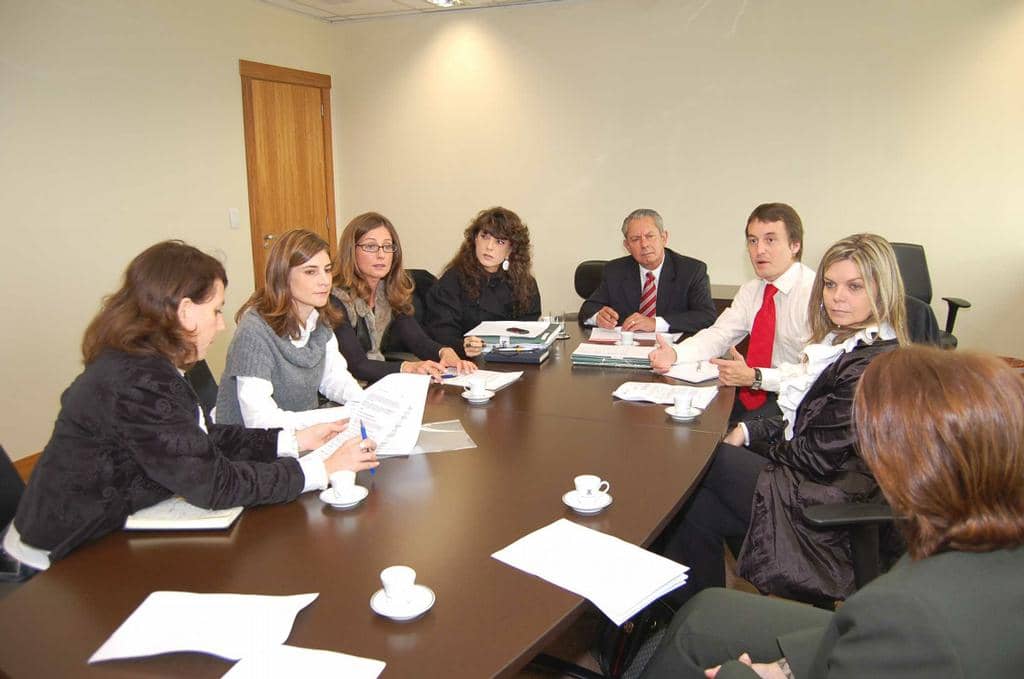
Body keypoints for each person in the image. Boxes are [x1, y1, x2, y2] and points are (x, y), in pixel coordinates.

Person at [641, 347, 1024, 679]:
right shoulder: (984, 542)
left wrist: (740, 673)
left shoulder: (908, 608)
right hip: (879, 637)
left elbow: (895, 637)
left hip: (886, 632)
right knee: (705, 611)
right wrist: (791, 664)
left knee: (695, 632)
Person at [2, 241, 378, 568]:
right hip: (62, 557)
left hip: (105, 531)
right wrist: (321, 468)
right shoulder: (140, 380)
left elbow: (200, 438)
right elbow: (215, 484)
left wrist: (295, 441)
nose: (220, 325)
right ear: (184, 311)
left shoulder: (148, 364)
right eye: (215, 311)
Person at [660, 233, 909, 607]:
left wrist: (747, 445)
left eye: (854, 286)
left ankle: (714, 600)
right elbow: (800, 408)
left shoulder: (870, 365)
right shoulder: (846, 344)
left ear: (882, 290)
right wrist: (744, 432)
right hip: (815, 476)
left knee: (702, 460)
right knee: (696, 509)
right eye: (830, 284)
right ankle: (697, 611)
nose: (837, 296)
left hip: (829, 494)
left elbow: (815, 455)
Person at [649, 203, 816, 422]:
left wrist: (757, 377)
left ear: (795, 245)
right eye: (753, 241)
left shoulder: (815, 293)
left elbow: (816, 372)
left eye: (770, 240)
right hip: (751, 391)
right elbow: (719, 335)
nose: (759, 250)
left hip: (797, 401)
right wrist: (675, 353)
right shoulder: (752, 290)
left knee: (723, 441)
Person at [216, 229, 364, 428]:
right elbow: (259, 420)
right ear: (283, 276)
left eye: (327, 269)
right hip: (251, 447)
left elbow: (333, 378)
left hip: (300, 437)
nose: (325, 280)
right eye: (311, 271)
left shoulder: (320, 318)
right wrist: (336, 416)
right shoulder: (254, 331)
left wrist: (365, 404)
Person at [330, 212, 475, 382]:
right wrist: (408, 367)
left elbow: (418, 341)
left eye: (387, 246)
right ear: (351, 251)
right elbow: (356, 365)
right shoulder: (336, 298)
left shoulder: (388, 291)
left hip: (377, 384)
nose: (381, 255)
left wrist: (444, 352)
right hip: (343, 391)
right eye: (370, 246)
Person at [424, 207, 542, 357]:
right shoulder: (453, 279)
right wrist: (464, 346)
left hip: (512, 360)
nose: (489, 247)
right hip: (466, 363)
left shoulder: (526, 283)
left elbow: (528, 329)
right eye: (484, 236)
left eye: (499, 241)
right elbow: (441, 333)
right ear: (475, 239)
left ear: (511, 249)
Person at [579, 208, 717, 335]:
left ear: (664, 238)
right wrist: (598, 317)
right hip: (626, 350)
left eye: (650, 236)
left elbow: (706, 316)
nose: (644, 244)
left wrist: (655, 323)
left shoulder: (691, 271)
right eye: (635, 239)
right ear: (627, 246)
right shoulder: (615, 271)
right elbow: (589, 308)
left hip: (672, 350)